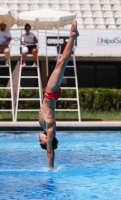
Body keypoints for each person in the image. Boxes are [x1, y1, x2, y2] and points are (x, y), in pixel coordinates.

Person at [38, 20, 79, 169]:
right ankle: (72, 36)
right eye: (41, 141)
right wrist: (50, 169)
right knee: (61, 62)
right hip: (51, 94)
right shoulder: (50, 129)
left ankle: (73, 37)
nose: (39, 139)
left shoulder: (47, 128)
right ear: (47, 140)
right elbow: (50, 152)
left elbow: (50, 149)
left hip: (51, 95)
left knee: (61, 63)